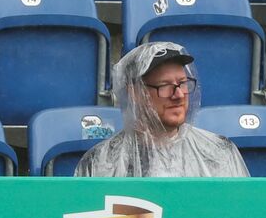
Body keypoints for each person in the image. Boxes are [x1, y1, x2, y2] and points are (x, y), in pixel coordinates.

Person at [75, 42, 250, 177]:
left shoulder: (218, 153)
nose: (179, 94)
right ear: (135, 93)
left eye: (183, 83)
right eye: (165, 86)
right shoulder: (101, 161)